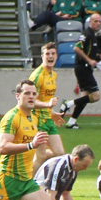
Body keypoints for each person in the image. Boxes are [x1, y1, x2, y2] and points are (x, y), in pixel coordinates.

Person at [25, 145, 96, 200]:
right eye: (84, 165)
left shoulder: (73, 171)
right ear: (75, 159)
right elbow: (50, 196)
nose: (85, 169)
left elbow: (65, 194)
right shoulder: (58, 166)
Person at [59, 14, 101, 129]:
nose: (98, 23)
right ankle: (68, 103)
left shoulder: (92, 36)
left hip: (85, 68)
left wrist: (98, 56)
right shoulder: (87, 34)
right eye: (95, 21)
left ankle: (71, 122)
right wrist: (89, 60)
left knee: (84, 97)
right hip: (83, 68)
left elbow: (88, 52)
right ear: (90, 22)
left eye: (99, 21)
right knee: (96, 96)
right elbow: (76, 48)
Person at [29, 42, 66, 175]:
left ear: (56, 56)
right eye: (47, 54)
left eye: (53, 54)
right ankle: (28, 183)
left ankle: (31, 164)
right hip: (38, 120)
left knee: (59, 153)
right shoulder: (37, 76)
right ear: (42, 56)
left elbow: (45, 99)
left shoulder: (53, 74)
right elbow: (30, 101)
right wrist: (47, 105)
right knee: (41, 156)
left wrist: (52, 112)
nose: (50, 56)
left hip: (47, 118)